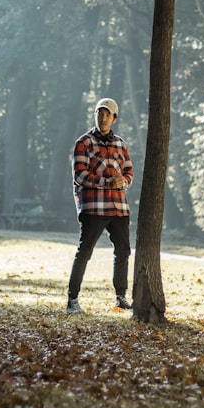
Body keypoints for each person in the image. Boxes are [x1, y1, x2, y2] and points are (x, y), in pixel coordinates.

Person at [66, 97, 134, 315]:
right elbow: (80, 176)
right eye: (99, 113)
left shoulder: (121, 144)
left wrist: (123, 181)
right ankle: (72, 300)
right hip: (93, 206)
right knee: (85, 251)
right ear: (95, 115)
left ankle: (121, 297)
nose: (103, 118)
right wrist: (106, 182)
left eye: (107, 114)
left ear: (114, 118)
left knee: (123, 251)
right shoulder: (83, 143)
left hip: (118, 206)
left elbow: (129, 173)